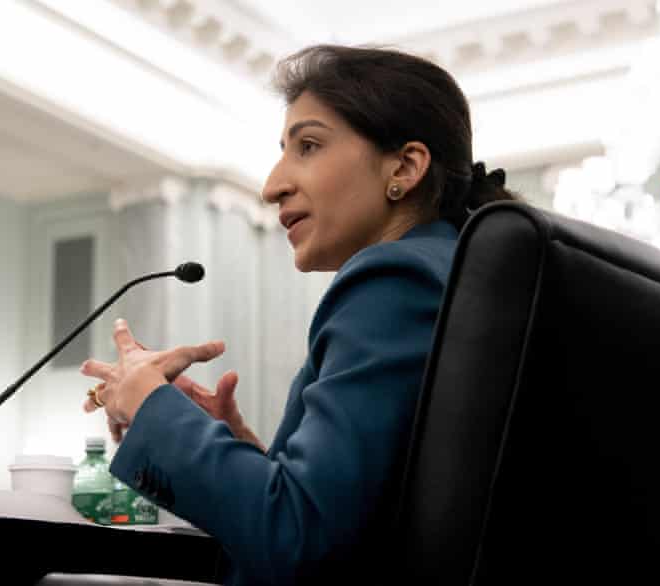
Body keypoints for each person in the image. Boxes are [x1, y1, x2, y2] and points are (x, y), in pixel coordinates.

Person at [80, 44, 519, 585]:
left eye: (308, 145)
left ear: (404, 166)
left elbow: (299, 541)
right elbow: (366, 525)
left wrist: (150, 407)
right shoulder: (448, 272)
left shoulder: (393, 281)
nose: (271, 186)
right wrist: (239, 453)